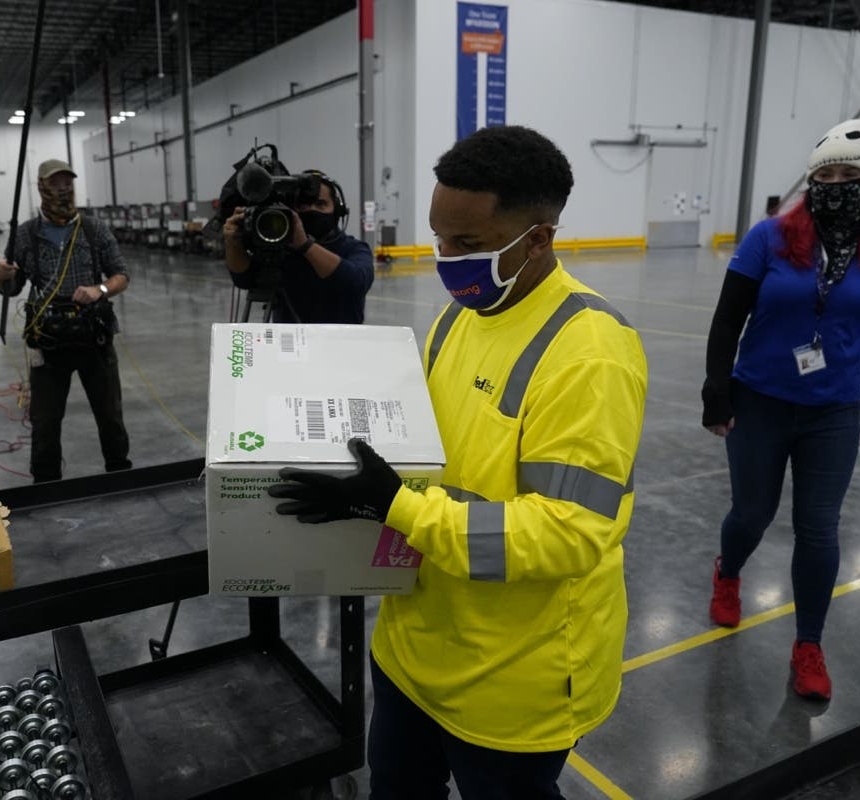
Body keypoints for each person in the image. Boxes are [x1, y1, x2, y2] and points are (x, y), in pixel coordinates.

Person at [268, 126, 648, 799]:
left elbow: (567, 531)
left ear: (537, 238)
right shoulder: (461, 315)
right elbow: (426, 451)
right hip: (415, 647)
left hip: (512, 681)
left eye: (466, 245)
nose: (445, 260)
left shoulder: (588, 354)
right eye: (438, 238)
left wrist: (396, 505)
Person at [703, 118, 860, 701]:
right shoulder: (769, 238)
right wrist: (716, 392)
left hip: (834, 411)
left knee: (819, 529)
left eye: (851, 175)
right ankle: (727, 573)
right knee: (752, 513)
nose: (837, 183)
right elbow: (727, 320)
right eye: (827, 174)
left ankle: (808, 646)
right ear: (811, 179)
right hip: (760, 401)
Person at [0, 158, 132, 483]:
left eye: (68, 182)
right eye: (55, 183)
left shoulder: (94, 229)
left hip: (93, 336)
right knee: (45, 420)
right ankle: (45, 483)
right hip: (48, 340)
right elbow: (12, 289)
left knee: (110, 415)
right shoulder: (25, 234)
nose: (63, 189)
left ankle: (120, 475)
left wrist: (99, 289)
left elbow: (121, 275)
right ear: (41, 185)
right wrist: (0, 277)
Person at [223, 169, 374, 323]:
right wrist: (233, 243)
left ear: (338, 210)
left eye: (321, 204)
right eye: (304, 204)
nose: (312, 209)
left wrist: (305, 245)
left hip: (340, 342)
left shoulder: (354, 248)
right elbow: (243, 279)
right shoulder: (278, 247)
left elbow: (356, 284)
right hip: (290, 343)